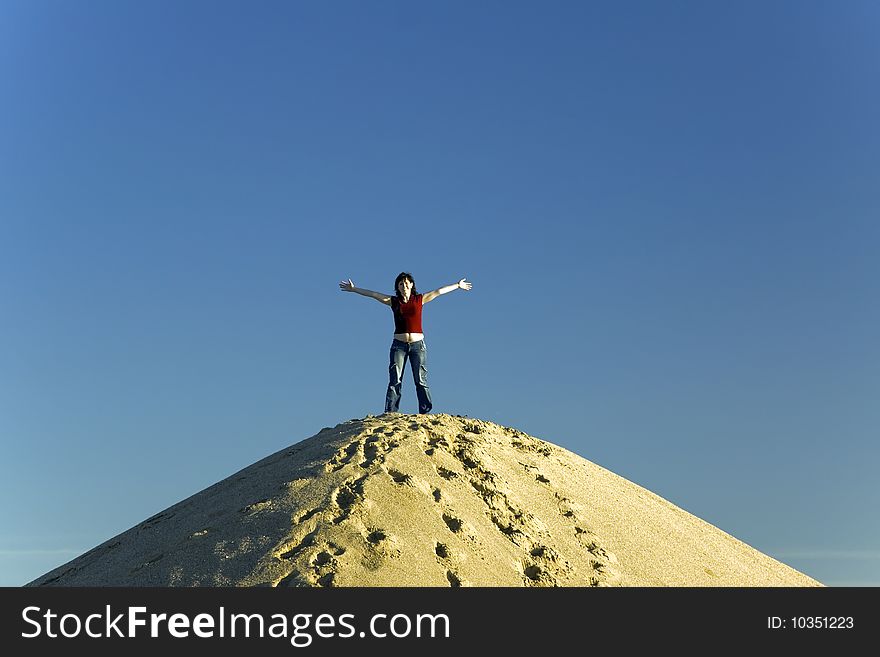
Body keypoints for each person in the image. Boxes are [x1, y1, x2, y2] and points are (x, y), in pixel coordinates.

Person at [339, 272, 473, 414]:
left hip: (418, 346)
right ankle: (391, 412)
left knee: (420, 380)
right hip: (399, 346)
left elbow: (438, 291)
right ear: (397, 287)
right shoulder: (393, 301)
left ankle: (425, 411)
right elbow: (373, 294)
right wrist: (354, 289)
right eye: (401, 283)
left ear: (412, 285)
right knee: (395, 380)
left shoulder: (419, 299)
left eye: (407, 283)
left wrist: (458, 285)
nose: (404, 285)